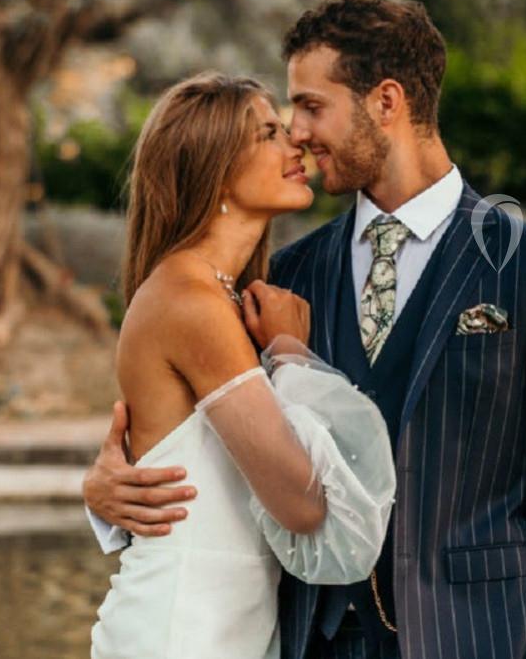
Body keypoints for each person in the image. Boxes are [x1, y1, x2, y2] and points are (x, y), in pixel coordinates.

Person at [83, 0, 526, 659]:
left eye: (312, 106)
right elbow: (196, 435)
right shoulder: (285, 279)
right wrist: (107, 493)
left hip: (474, 639)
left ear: (387, 102)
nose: (298, 134)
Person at [88, 73, 397, 659]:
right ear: (216, 168)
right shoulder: (190, 301)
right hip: (182, 628)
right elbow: (302, 505)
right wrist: (287, 352)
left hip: (233, 624)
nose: (295, 146)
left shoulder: (229, 296)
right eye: (269, 135)